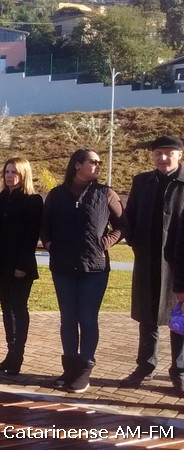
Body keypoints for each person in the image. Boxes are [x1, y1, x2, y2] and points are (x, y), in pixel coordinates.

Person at [41, 148, 125, 393]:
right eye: (93, 161)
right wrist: (50, 244)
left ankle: (85, 370)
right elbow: (44, 226)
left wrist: (104, 243)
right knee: (68, 318)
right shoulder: (57, 195)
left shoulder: (105, 193)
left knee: (87, 319)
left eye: (100, 162)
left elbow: (123, 225)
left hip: (94, 269)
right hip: (63, 267)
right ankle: (69, 368)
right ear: (77, 165)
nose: (98, 166)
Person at [125, 135, 184, 394]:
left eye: (168, 153)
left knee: (179, 316)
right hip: (147, 260)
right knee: (147, 317)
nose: (162, 158)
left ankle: (180, 371)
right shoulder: (142, 182)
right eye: (158, 153)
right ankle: (145, 366)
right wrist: (136, 244)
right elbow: (130, 217)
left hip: (178, 262)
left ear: (180, 155)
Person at [0, 157, 43, 375]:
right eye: (7, 172)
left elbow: (30, 236)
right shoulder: (3, 198)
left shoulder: (33, 200)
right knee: (6, 309)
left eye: (14, 172)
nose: (9, 176)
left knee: (18, 308)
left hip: (21, 266)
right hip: (2, 264)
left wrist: (22, 265)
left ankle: (18, 354)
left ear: (24, 175)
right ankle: (10, 352)